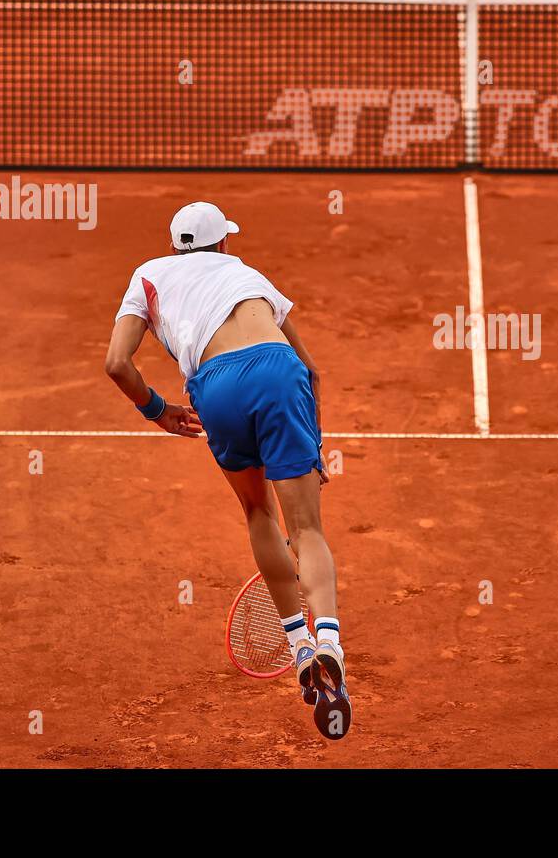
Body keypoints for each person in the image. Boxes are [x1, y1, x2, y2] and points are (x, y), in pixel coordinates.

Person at [103, 201, 350, 740]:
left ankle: (298, 646)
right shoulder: (246, 274)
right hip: (277, 372)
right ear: (224, 245)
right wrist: (314, 441)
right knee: (306, 528)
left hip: (214, 385)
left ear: (175, 246)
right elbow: (310, 369)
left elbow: (117, 363)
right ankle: (328, 639)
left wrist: (157, 409)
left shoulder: (147, 275)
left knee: (257, 508)